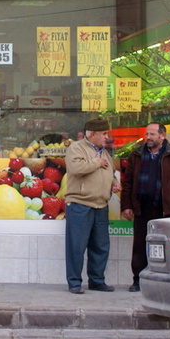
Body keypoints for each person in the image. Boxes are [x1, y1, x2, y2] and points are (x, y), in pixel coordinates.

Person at [120, 123, 170, 292]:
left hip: (166, 210)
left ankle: (165, 282)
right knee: (140, 246)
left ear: (162, 136)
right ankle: (138, 280)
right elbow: (127, 182)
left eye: (152, 134)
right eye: (147, 134)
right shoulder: (136, 155)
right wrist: (126, 205)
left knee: (166, 246)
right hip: (142, 208)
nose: (148, 137)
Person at [63, 118, 120, 294]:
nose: (107, 137)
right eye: (104, 134)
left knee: (100, 246)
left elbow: (110, 170)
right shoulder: (76, 148)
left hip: (100, 205)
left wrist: (114, 183)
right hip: (80, 204)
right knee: (77, 246)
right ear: (92, 134)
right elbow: (76, 168)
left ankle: (97, 280)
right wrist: (97, 162)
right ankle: (74, 282)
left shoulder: (104, 152)